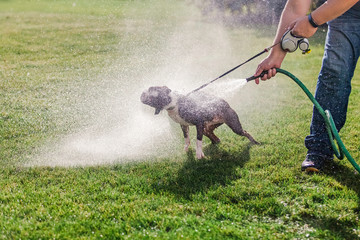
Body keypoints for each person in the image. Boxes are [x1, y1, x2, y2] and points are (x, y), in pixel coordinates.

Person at [254, 0, 360, 172]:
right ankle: (320, 149)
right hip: (346, 12)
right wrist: (275, 56)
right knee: (333, 74)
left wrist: (312, 21)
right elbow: (296, 6)